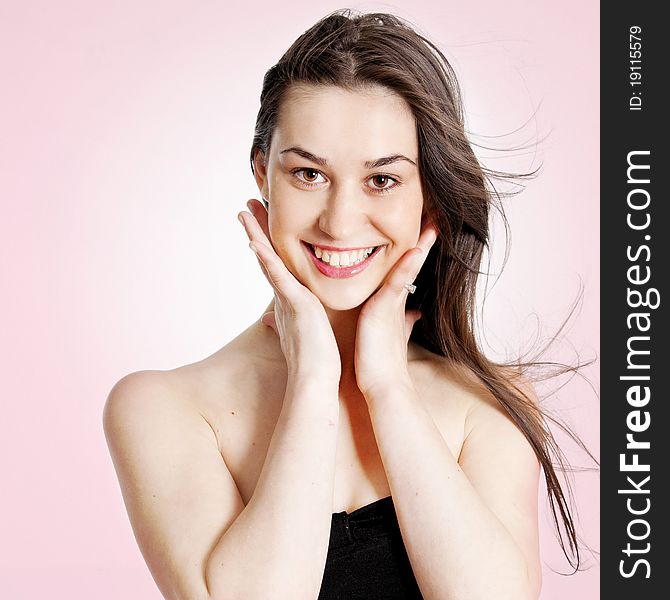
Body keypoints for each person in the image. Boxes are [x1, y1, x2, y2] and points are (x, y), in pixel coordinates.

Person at [103, 10, 585, 600]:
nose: (339, 221)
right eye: (308, 174)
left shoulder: (489, 402)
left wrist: (386, 386)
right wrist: (312, 376)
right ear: (263, 174)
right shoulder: (162, 408)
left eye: (382, 180)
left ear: (427, 191)